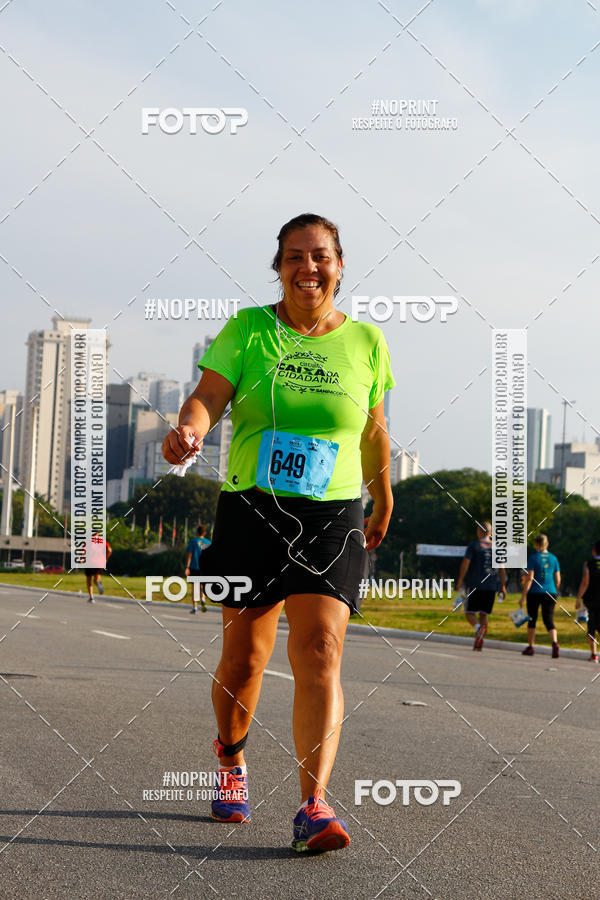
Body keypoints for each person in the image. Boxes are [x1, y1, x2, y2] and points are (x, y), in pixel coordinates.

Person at [162, 213, 395, 853]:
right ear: (279, 267)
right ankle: (232, 759)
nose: (307, 268)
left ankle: (313, 807)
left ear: (340, 265)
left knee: (320, 648)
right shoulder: (248, 330)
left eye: (319, 256)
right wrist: (192, 428)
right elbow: (208, 394)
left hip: (333, 512)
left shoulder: (367, 342)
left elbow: (373, 429)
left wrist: (384, 493)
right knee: (247, 656)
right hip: (253, 506)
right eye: (294, 256)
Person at [455, 522, 506, 650]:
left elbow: (466, 563)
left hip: (475, 584)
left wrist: (460, 579)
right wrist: (503, 586)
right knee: (484, 614)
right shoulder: (498, 548)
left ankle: (478, 629)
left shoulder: (474, 546)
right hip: (491, 586)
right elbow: (502, 569)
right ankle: (480, 638)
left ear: (479, 532)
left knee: (469, 612)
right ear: (491, 533)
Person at [519, 534, 560, 658]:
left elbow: (530, 578)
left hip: (535, 593)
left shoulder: (533, 558)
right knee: (549, 619)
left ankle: (531, 647)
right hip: (550, 592)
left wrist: (522, 596)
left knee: (532, 619)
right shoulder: (554, 558)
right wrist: (555, 592)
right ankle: (555, 643)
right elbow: (558, 579)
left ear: (536, 544)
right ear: (547, 544)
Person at [575, 540, 600, 663]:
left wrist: (578, 598)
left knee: (592, 627)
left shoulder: (589, 564)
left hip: (592, 601)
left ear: (595, 550)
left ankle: (594, 654)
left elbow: (585, 582)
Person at [185, 525, 212, 613]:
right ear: (204, 533)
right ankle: (203, 598)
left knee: (194, 587)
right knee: (202, 586)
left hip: (194, 567)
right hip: (204, 568)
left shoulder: (193, 541)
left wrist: (187, 567)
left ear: (197, 532)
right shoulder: (208, 542)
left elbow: (190, 555)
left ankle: (195, 607)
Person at [84, 539, 112, 603]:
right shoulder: (102, 541)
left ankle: (91, 597)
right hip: (100, 562)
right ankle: (98, 583)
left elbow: (83, 551)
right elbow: (109, 550)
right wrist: (106, 558)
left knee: (89, 580)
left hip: (90, 562)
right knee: (96, 580)